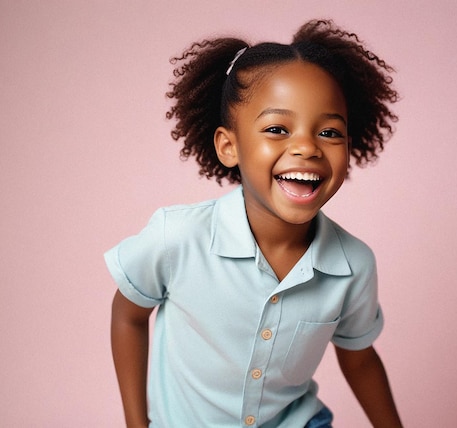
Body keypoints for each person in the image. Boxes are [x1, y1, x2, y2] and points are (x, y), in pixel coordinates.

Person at [106, 19, 402, 427]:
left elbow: (360, 359)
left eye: (330, 131)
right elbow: (129, 316)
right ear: (229, 146)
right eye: (278, 129)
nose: (306, 147)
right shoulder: (177, 238)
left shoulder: (354, 265)